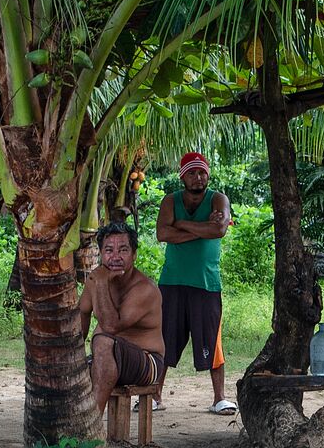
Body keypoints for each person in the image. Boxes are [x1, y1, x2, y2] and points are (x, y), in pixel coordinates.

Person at [155, 151, 236, 415]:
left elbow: (218, 230)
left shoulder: (218, 199)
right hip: (172, 282)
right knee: (164, 339)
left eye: (202, 172)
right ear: (183, 176)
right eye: (192, 173)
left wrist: (182, 225)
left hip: (206, 284)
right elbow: (162, 233)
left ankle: (219, 398)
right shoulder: (171, 200)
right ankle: (154, 395)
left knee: (212, 341)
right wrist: (200, 228)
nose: (198, 178)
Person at [79, 222, 164, 416]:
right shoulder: (96, 280)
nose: (115, 257)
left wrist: (100, 283)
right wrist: (72, 357)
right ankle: (62, 434)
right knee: (66, 364)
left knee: (102, 341)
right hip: (107, 360)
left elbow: (110, 326)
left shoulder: (144, 289)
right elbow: (82, 314)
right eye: (109, 250)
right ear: (100, 253)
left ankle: (92, 425)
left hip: (148, 363)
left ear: (134, 255)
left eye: (123, 250)